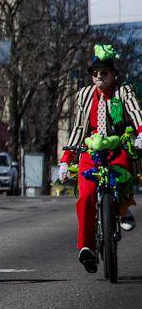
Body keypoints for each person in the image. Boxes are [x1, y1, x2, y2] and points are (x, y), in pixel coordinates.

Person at [58, 44, 142, 273]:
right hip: (91, 151)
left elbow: (135, 112)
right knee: (85, 196)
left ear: (113, 74)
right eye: (94, 73)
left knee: (123, 171)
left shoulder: (123, 91)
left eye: (103, 73)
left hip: (117, 146)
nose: (98, 77)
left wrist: (141, 132)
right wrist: (66, 159)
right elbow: (77, 128)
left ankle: (123, 208)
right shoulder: (84, 95)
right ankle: (87, 247)